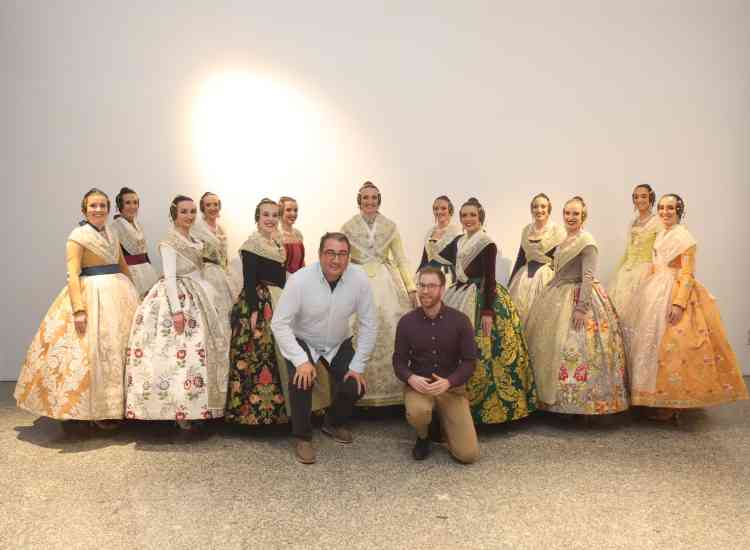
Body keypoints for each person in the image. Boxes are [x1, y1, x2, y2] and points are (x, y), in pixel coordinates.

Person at [15, 188, 139, 428]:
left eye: (102, 205)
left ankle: (120, 406)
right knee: (95, 352)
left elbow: (123, 265)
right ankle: (97, 410)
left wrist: (135, 293)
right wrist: (79, 310)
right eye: (93, 205)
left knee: (119, 349)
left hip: (119, 293)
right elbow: (72, 274)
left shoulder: (112, 232)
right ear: (84, 209)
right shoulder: (77, 236)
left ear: (108, 209)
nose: (98, 209)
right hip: (92, 294)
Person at [625, 194, 748, 421]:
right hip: (654, 290)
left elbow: (688, 274)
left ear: (679, 211)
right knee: (649, 345)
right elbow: (657, 263)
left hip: (674, 291)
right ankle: (652, 397)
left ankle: (673, 404)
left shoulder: (685, 238)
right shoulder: (661, 233)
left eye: (670, 208)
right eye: (662, 208)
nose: (665, 212)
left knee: (674, 348)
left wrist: (678, 303)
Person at [124, 196, 230, 429]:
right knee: (177, 354)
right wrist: (177, 312)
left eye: (192, 211)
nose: (189, 216)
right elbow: (170, 279)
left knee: (198, 354)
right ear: (174, 214)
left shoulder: (195, 240)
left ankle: (198, 407)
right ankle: (177, 409)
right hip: (179, 298)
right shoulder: (169, 242)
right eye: (184, 211)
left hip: (199, 294)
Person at [271, 232, 377, 464]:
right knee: (301, 381)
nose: (336, 260)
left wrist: (357, 367)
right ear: (319, 255)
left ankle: (333, 422)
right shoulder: (299, 280)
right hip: (304, 339)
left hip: (338, 342)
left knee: (355, 386)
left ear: (349, 257)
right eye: (330, 253)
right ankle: (302, 437)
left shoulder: (359, 279)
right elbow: (279, 323)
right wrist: (300, 360)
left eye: (342, 254)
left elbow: (369, 324)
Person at [525, 197, 629, 415]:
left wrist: (581, 308)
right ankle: (550, 402)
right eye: (567, 213)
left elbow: (588, 276)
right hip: (556, 293)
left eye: (575, 214)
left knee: (578, 347)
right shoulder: (564, 239)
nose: (570, 217)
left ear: (583, 217)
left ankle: (581, 406)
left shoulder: (587, 241)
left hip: (578, 296)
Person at [443, 197, 536, 424]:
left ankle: (488, 409)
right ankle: (451, 404)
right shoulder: (458, 241)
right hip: (458, 293)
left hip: (482, 296)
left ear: (480, 217)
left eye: (472, 215)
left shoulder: (487, 243)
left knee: (487, 350)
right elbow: (439, 259)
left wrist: (487, 312)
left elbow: (490, 279)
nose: (468, 219)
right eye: (464, 215)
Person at [341, 181, 416, 406]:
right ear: (359, 200)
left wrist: (411, 287)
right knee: (355, 331)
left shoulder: (390, 226)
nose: (370, 201)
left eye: (374, 197)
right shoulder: (348, 227)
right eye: (365, 197)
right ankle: (355, 393)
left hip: (386, 282)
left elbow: (400, 258)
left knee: (391, 329)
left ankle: (392, 393)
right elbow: (341, 258)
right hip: (357, 280)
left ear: (379, 200)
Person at [393, 266, 479, 463]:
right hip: (419, 388)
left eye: (431, 286)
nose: (425, 291)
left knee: (468, 455)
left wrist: (449, 382)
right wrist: (411, 378)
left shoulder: (461, 321)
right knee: (418, 412)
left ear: (442, 289)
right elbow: (398, 361)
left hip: (451, 389)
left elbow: (469, 362)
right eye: (422, 285)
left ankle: (442, 426)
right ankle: (423, 436)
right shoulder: (406, 322)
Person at [225, 199, 297, 425]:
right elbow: (249, 281)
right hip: (259, 301)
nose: (270, 219)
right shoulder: (251, 245)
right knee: (260, 353)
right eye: (266, 215)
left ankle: (286, 410)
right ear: (257, 218)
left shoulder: (277, 243)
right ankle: (253, 413)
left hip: (278, 298)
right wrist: (253, 311)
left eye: (274, 215)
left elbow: (282, 276)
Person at [507, 193, 566, 325]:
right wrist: (509, 285)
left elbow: (562, 260)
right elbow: (520, 259)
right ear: (531, 209)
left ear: (549, 209)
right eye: (535, 207)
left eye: (543, 206)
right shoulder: (526, 230)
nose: (539, 210)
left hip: (546, 279)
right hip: (523, 279)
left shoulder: (557, 231)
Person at [607, 184, 662, 319]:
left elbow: (660, 251)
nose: (639, 200)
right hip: (627, 270)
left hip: (646, 270)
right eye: (636, 197)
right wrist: (619, 270)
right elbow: (628, 250)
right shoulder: (633, 222)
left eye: (643, 196)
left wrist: (655, 275)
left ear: (651, 198)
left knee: (640, 314)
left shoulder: (658, 222)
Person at [192, 191, 240, 313]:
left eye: (215, 204)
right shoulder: (197, 228)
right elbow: (194, 254)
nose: (213, 208)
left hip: (223, 272)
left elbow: (224, 254)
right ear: (203, 207)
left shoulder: (221, 228)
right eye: (208, 205)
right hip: (207, 274)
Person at [110, 186, 159, 298]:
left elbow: (144, 252)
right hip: (130, 273)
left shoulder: (138, 225)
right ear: (120, 205)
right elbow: (115, 258)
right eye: (128, 203)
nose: (132, 206)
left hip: (146, 271)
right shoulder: (114, 227)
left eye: (135, 202)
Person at [418, 195, 462, 287]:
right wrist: (417, 276)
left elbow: (458, 263)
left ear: (450, 210)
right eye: (436, 209)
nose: (439, 211)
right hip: (427, 275)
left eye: (443, 208)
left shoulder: (456, 232)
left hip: (446, 277)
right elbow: (424, 260)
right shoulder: (430, 232)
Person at [278, 196, 306, 275]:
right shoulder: (275, 235)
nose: (293, 213)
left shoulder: (298, 234)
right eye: (288, 210)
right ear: (280, 212)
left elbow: (301, 261)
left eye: (295, 210)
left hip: (299, 278)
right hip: (282, 280)